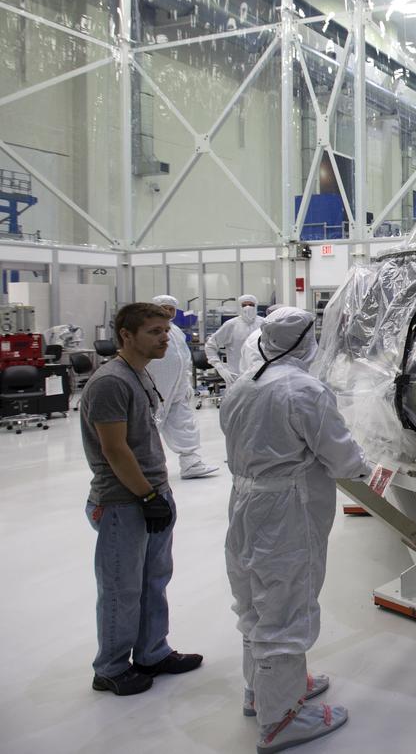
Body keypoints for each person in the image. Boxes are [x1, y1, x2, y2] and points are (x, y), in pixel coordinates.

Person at [221, 307, 370, 752]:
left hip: (244, 500)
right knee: (287, 605)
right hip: (287, 506)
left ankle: (260, 691)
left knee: (252, 597)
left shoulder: (243, 384)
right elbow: (342, 458)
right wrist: (367, 470)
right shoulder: (304, 389)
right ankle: (283, 718)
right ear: (308, 340)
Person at [81, 303, 203, 696]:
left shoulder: (139, 374)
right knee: (122, 588)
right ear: (126, 335)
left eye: (165, 331)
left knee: (154, 580)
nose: (164, 338)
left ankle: (152, 652)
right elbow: (115, 450)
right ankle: (111, 668)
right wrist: (147, 495)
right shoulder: (110, 382)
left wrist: (157, 493)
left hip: (150, 493)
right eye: (153, 331)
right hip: (123, 502)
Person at [148, 295, 217, 479]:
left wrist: (185, 383)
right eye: (164, 308)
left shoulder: (175, 330)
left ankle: (190, 463)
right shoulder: (148, 330)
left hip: (177, 386)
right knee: (149, 424)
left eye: (171, 309)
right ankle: (144, 465)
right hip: (156, 386)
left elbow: (183, 357)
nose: (167, 312)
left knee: (184, 422)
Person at [204, 294, 265, 385]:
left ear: (256, 306)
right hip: (236, 376)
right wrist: (220, 368)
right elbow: (210, 345)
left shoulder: (264, 324)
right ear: (240, 307)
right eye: (244, 305)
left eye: (251, 305)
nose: (248, 307)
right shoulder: (231, 324)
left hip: (261, 375)